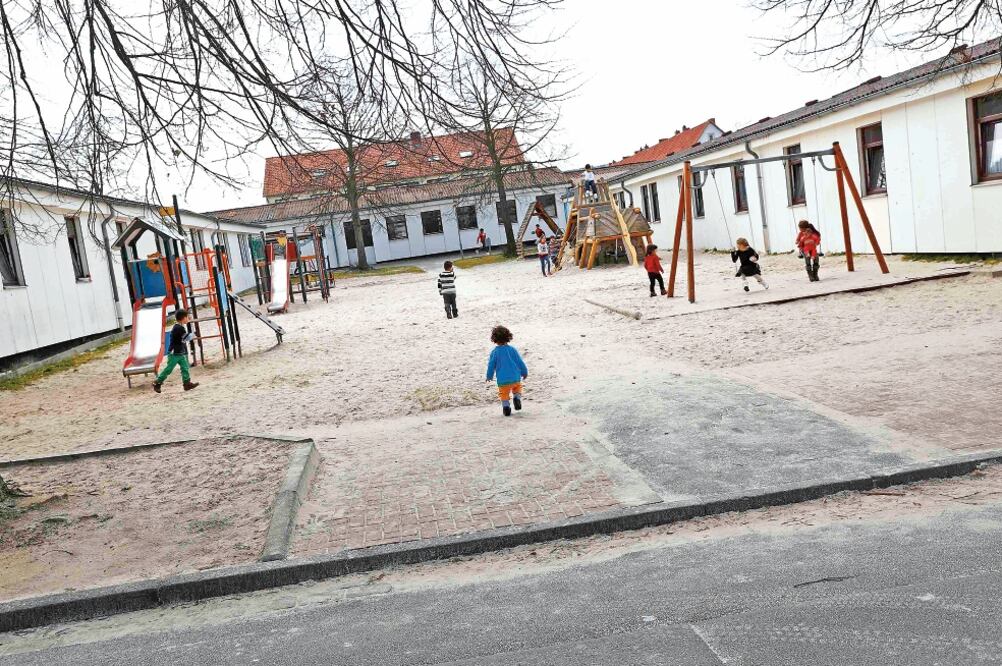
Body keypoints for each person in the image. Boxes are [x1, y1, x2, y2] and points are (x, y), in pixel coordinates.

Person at [485, 325, 528, 417]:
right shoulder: (512, 350)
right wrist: (524, 372)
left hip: (503, 380)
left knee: (504, 394)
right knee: (517, 388)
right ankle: (517, 398)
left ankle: (506, 407)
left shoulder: (494, 352)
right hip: (515, 377)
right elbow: (519, 362)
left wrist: (489, 376)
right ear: (508, 337)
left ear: (494, 339)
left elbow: (491, 366)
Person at [153, 309, 198, 393]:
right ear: (183, 318)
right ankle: (157, 382)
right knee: (169, 369)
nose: (188, 318)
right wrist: (194, 334)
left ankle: (187, 383)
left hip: (179, 353)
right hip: (174, 353)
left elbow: (183, 339)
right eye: (187, 317)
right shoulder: (179, 328)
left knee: (185, 367)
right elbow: (186, 338)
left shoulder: (178, 327)